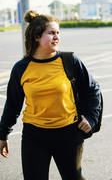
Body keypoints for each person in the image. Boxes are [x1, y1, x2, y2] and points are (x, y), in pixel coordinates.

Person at [0, 10, 102, 180]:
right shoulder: (21, 68)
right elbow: (12, 105)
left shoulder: (70, 61)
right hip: (35, 135)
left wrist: (91, 118)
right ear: (36, 37)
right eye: (51, 33)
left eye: (58, 33)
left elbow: (93, 89)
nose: (56, 37)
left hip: (68, 133)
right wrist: (2, 134)